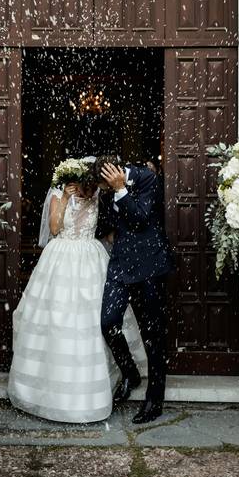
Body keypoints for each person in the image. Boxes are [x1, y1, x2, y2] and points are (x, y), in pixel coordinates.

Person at [8, 171, 146, 423]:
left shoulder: (99, 196)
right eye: (84, 186)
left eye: (90, 186)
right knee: (59, 319)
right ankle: (53, 388)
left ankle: (110, 378)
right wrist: (61, 201)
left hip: (91, 258)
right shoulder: (59, 194)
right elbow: (53, 228)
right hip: (60, 257)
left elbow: (107, 229)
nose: (86, 190)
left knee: (94, 320)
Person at [95, 156, 173, 424]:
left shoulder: (147, 179)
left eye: (103, 185)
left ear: (115, 173)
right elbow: (106, 225)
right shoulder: (106, 192)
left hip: (150, 267)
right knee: (108, 323)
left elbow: (140, 219)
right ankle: (130, 372)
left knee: (153, 334)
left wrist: (120, 190)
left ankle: (155, 400)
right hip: (119, 265)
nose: (101, 190)